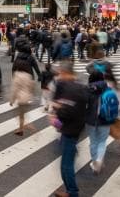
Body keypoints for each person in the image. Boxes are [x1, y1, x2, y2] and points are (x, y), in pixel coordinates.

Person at [51, 60, 88, 197]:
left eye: (61, 73)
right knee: (66, 163)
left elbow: (67, 111)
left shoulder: (70, 89)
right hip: (75, 128)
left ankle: (72, 192)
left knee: (66, 166)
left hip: (70, 130)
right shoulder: (79, 86)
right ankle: (70, 191)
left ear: (65, 72)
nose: (59, 75)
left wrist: (58, 109)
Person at [86, 70, 119, 174]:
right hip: (105, 120)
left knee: (93, 141)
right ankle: (99, 161)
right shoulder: (108, 89)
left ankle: (94, 162)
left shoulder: (87, 89)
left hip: (90, 120)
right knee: (102, 142)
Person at [11, 57, 37, 136]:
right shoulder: (28, 75)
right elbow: (32, 86)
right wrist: (31, 94)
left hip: (21, 99)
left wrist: (12, 100)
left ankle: (32, 129)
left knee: (20, 116)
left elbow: (15, 89)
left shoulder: (17, 75)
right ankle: (20, 130)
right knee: (22, 115)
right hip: (27, 98)